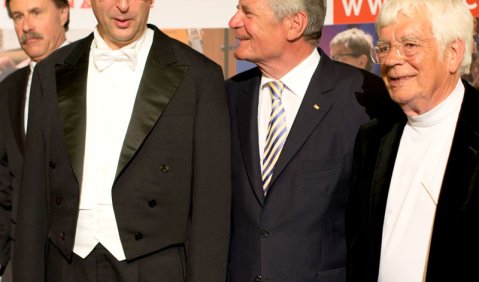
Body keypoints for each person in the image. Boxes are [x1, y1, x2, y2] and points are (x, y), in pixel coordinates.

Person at [12, 0, 231, 280]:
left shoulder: (199, 75)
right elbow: (33, 197)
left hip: (156, 269)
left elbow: (211, 205)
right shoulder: (50, 72)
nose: (123, 6)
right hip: (67, 267)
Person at [226, 0, 395, 281]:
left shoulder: (366, 99)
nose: (234, 21)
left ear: (295, 24)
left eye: (247, 12)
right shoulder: (228, 97)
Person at [347, 0, 477, 281]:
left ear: (453, 53)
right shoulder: (372, 139)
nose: (392, 60)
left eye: (410, 45)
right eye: (384, 47)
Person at [0, 0, 69, 280]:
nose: (26, 26)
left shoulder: (97, 79)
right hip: (21, 262)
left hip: (79, 261)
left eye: (36, 12)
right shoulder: (7, 90)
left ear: (64, 13)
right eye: (18, 16)